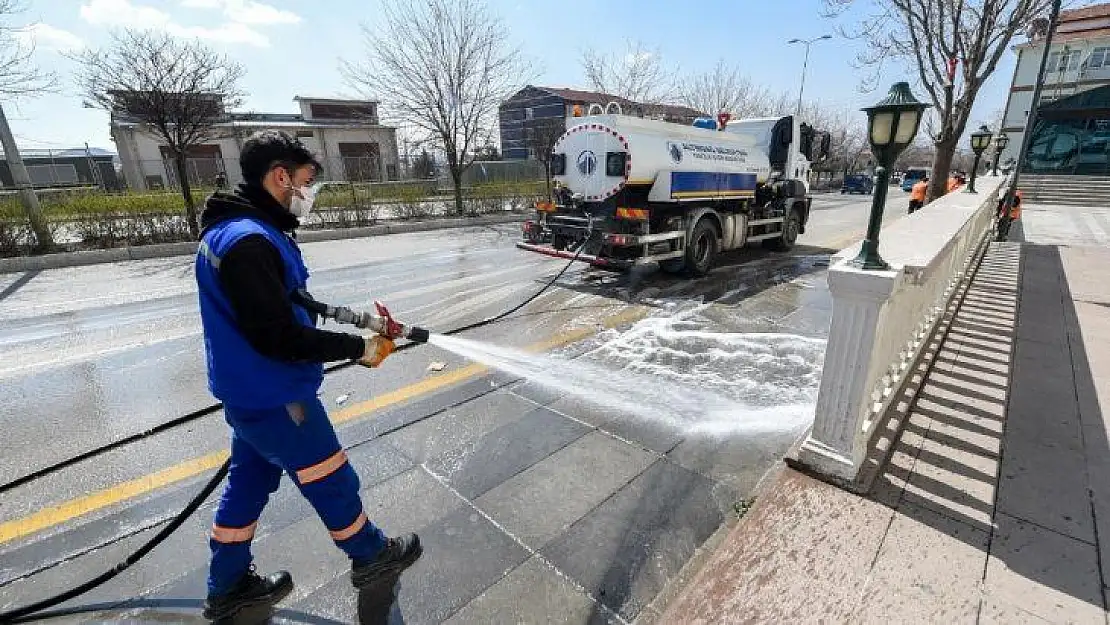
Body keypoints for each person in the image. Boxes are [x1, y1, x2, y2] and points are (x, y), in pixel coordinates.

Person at [194, 130, 422, 622]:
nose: (309, 192)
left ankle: (227, 583)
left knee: (250, 483)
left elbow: (290, 307)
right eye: (306, 181)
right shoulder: (249, 242)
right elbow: (278, 336)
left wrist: (363, 324)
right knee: (331, 476)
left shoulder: (238, 231)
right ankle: (371, 554)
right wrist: (358, 349)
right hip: (277, 393)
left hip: (249, 393)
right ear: (281, 177)